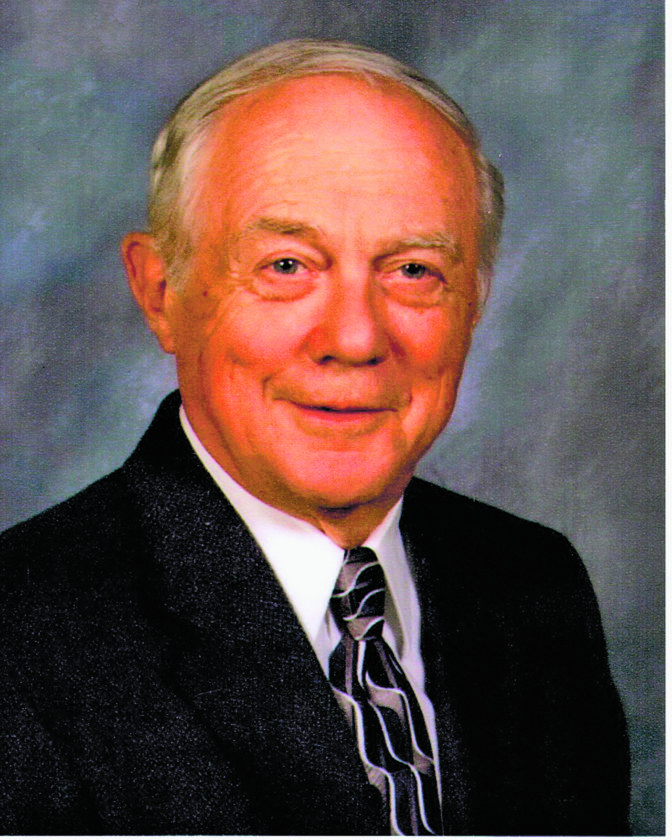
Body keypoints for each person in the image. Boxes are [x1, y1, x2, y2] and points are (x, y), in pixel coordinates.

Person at [0, 39, 629, 835]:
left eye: (413, 271)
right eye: (288, 266)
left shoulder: (533, 587)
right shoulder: (22, 639)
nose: (356, 338)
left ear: (474, 300)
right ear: (161, 293)